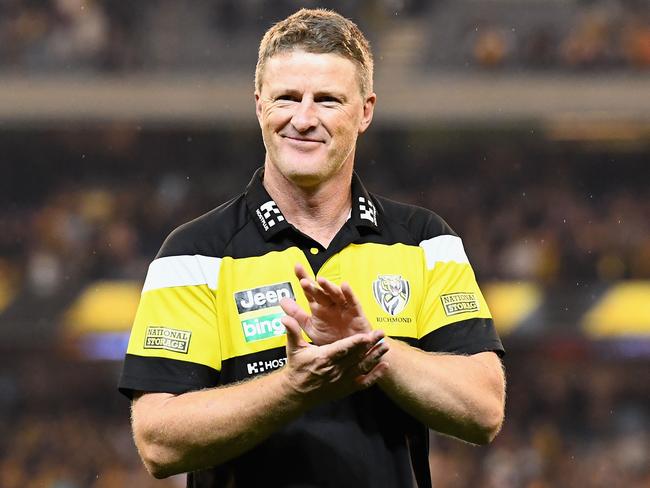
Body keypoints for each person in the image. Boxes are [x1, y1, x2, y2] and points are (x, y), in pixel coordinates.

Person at [118, 8, 506, 488]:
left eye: (327, 100)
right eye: (287, 98)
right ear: (259, 104)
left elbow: (484, 411)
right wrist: (292, 387)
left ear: (365, 111)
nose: (303, 119)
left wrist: (374, 351)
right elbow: (157, 442)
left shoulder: (425, 240)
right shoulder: (194, 253)